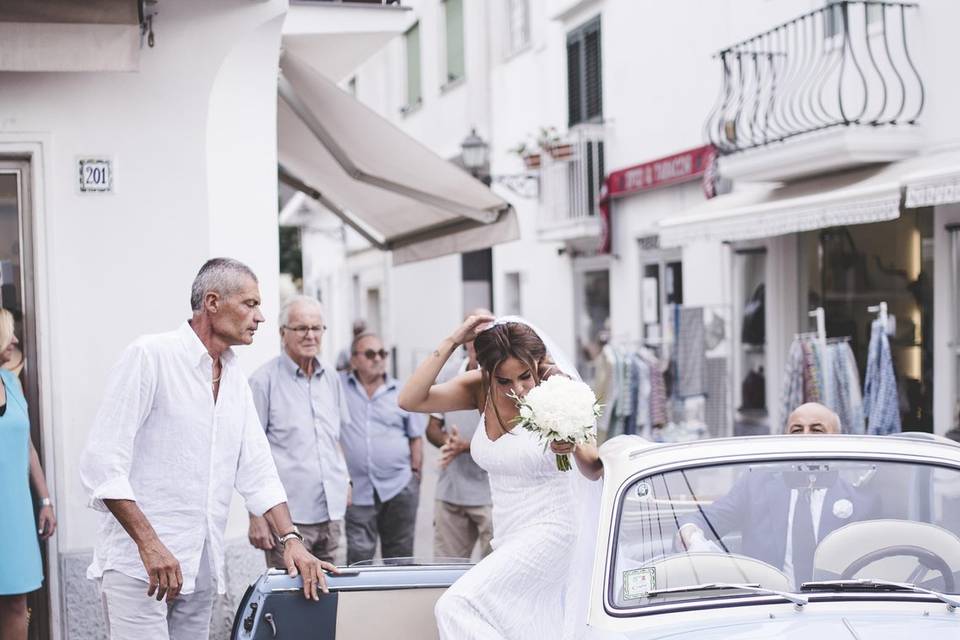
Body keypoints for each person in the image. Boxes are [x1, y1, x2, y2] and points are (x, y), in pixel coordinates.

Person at [80, 258, 335, 640]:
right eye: (250, 304)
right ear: (213, 302)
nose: (261, 317)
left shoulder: (234, 379)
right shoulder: (150, 356)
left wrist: (291, 541)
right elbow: (102, 464)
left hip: (200, 565)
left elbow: (258, 470)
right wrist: (150, 545)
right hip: (139, 567)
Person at [398, 315, 603, 639]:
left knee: (456, 605)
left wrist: (574, 444)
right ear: (485, 371)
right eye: (503, 381)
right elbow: (409, 399)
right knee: (524, 626)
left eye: (524, 376)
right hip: (508, 531)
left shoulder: (560, 389)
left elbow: (593, 467)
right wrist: (453, 339)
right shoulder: (479, 391)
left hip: (554, 528)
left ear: (538, 362)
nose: (517, 390)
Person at [677, 402, 879, 587]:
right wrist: (691, 532)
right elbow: (707, 520)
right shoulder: (755, 484)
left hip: (834, 608)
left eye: (817, 430)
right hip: (768, 605)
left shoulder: (858, 498)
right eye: (797, 430)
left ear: (836, 439)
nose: (805, 437)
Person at [248, 295, 352, 566]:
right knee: (292, 602)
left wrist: (346, 480)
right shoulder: (262, 381)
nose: (310, 335)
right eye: (301, 328)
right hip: (288, 521)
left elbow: (333, 437)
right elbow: (249, 455)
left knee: (334, 597)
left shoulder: (331, 377)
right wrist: (256, 516)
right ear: (283, 333)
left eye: (316, 328)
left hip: (332, 514)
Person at [341, 332, 425, 565]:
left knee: (400, 558)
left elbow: (416, 437)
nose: (377, 358)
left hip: (399, 487)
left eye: (382, 353)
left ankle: (397, 602)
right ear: (354, 359)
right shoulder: (339, 388)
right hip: (356, 490)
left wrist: (415, 475)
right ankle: (359, 603)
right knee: (358, 560)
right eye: (370, 354)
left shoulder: (403, 391)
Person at [0, 310, 56, 640]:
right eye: (9, 333)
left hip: (16, 513)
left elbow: (28, 447)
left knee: (17, 603)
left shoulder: (11, 380)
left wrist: (45, 500)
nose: (16, 341)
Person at [425, 308, 493, 561]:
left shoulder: (504, 376)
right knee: (446, 569)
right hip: (452, 490)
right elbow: (432, 427)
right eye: (473, 332)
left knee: (492, 573)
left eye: (485, 333)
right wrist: (449, 442)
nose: (478, 339)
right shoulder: (449, 373)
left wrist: (469, 447)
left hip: (490, 495)